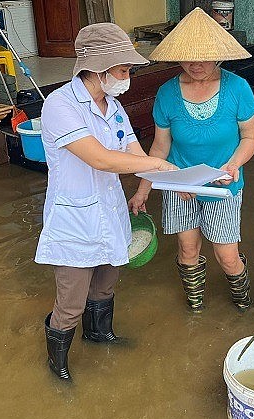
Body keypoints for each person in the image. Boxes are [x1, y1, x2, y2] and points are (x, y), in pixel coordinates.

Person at [35, 23, 176, 380]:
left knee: (106, 283)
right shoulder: (60, 105)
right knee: (71, 302)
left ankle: (99, 334)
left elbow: (133, 152)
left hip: (111, 211)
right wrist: (157, 164)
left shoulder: (113, 106)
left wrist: (177, 180)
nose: (127, 76)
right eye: (123, 69)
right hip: (75, 220)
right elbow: (100, 158)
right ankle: (59, 363)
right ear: (98, 67)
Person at [128, 8, 254, 312]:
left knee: (227, 254)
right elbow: (160, 149)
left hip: (223, 185)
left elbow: (250, 138)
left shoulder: (238, 89)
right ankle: (195, 306)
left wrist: (233, 164)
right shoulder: (167, 94)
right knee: (187, 248)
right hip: (180, 186)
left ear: (218, 54)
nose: (196, 64)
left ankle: (243, 302)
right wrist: (142, 191)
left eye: (204, 57)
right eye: (188, 57)